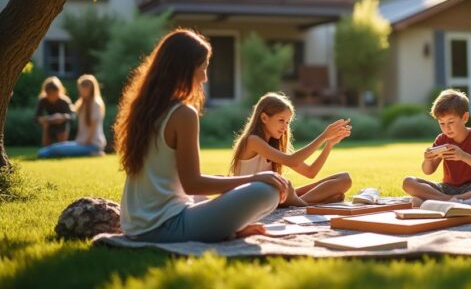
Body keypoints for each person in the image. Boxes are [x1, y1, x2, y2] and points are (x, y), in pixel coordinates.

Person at [116, 29, 288, 243]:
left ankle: (226, 228)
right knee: (268, 189)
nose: (205, 77)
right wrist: (255, 178)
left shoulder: (144, 110)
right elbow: (193, 183)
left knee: (211, 194)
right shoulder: (182, 113)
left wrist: (233, 183)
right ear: (185, 69)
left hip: (135, 225)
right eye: (204, 68)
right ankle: (224, 228)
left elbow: (185, 182)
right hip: (165, 226)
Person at [230, 92, 352, 206]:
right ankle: (304, 204)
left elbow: (310, 172)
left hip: (272, 196)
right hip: (250, 199)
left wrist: (328, 144)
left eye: (288, 122)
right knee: (287, 187)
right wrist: (323, 136)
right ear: (264, 118)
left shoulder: (275, 147)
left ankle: (301, 202)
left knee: (345, 179)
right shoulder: (253, 141)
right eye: (281, 120)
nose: (285, 127)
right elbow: (292, 160)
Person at [402, 89, 471, 207]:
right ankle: (454, 201)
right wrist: (428, 160)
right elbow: (428, 171)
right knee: (408, 182)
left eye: (451, 122)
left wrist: (462, 156)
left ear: (465, 117)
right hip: (447, 188)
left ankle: (443, 201)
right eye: (441, 123)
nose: (446, 128)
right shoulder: (441, 139)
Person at [38, 74, 106, 158]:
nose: (81, 91)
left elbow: (93, 126)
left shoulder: (96, 104)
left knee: (50, 151)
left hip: (92, 144)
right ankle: (92, 153)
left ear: (89, 89)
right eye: (80, 88)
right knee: (50, 149)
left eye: (83, 88)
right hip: (81, 142)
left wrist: (85, 142)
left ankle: (94, 152)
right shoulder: (82, 104)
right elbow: (71, 114)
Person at [34, 76, 74, 146]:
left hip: (62, 125)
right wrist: (45, 119)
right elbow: (36, 117)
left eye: (54, 92)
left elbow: (72, 116)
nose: (52, 95)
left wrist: (63, 117)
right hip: (49, 124)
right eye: (49, 93)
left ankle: (62, 147)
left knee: (63, 128)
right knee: (46, 126)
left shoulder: (64, 101)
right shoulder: (43, 101)